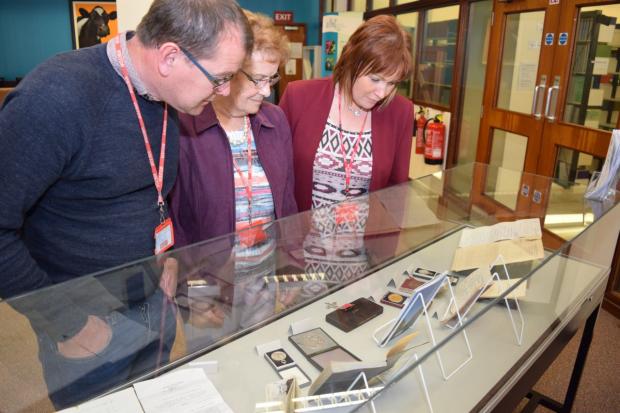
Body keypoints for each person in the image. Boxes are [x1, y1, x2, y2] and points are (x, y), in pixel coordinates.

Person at [0, 0, 252, 408]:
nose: (225, 91)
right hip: (86, 325)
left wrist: (164, 256)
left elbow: (147, 191)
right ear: (170, 57)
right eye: (220, 78)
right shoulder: (54, 99)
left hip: (155, 301)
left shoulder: (170, 94)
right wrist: (70, 325)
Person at [168, 11, 297, 350]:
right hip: (208, 290)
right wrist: (192, 293)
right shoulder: (184, 126)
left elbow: (287, 204)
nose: (266, 91)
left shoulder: (275, 121)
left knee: (262, 364)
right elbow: (175, 225)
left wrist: (289, 270)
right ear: (225, 75)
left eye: (272, 78)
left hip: (264, 284)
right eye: (257, 79)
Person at [279, 15, 414, 212]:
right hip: (302, 238)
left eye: (392, 83)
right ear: (352, 61)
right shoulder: (298, 97)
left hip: (364, 241)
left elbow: (396, 192)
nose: (382, 93)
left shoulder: (401, 112)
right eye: (375, 79)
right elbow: (277, 175)